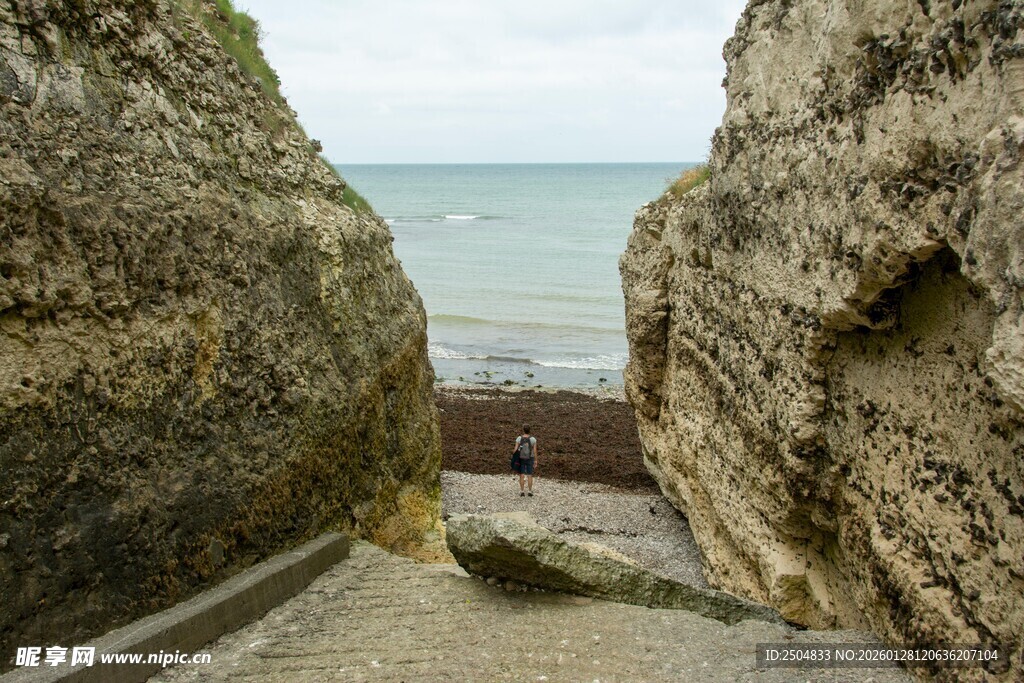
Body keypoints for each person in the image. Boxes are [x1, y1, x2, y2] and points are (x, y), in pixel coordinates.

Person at [514, 425, 538, 496]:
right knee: (529, 474)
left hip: (521, 458)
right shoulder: (533, 439)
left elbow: (515, 449)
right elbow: (535, 450)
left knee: (521, 474)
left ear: (523, 430)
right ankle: (530, 491)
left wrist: (515, 458)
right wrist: (535, 460)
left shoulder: (519, 438)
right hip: (530, 458)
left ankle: (522, 491)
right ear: (530, 430)